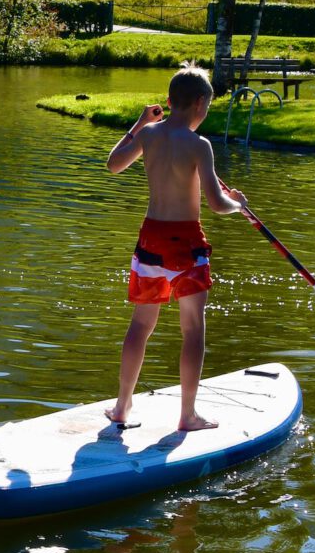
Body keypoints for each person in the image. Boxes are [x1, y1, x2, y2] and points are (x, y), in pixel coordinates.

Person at [105, 63, 247, 431]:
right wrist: (240, 205)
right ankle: (187, 415)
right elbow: (217, 204)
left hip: (150, 239)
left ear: (170, 101)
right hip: (186, 242)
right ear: (200, 103)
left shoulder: (149, 134)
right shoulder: (200, 145)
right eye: (208, 107)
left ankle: (122, 407)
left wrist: (138, 124)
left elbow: (114, 164)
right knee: (193, 329)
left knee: (140, 325)